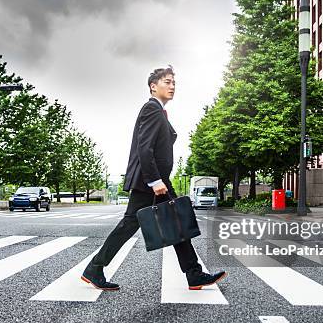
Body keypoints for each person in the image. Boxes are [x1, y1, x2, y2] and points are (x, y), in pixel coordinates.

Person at [81, 66, 227, 291]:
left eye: (174, 83)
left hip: (156, 180)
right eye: (167, 82)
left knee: (175, 222)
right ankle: (95, 268)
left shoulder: (158, 111)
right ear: (153, 86)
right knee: (138, 224)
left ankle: (194, 274)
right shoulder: (152, 109)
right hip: (150, 181)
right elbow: (144, 148)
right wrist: (154, 181)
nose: (172, 86)